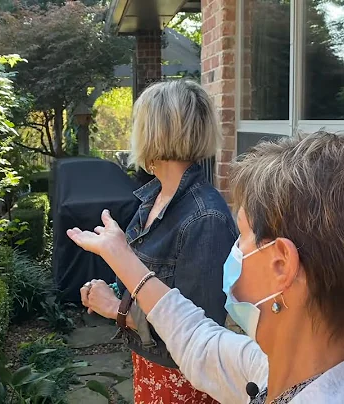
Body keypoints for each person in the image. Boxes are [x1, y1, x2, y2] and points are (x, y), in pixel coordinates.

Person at [70, 132, 344, 404]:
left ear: (281, 265)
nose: (233, 250)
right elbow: (197, 339)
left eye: (243, 235)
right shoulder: (280, 366)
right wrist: (120, 255)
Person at [80, 80, 238, 403]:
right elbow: (148, 286)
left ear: (155, 131)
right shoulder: (153, 199)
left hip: (182, 389)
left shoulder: (206, 218)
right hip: (150, 374)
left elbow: (199, 338)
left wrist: (113, 309)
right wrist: (110, 290)